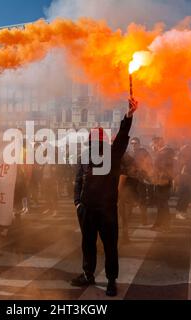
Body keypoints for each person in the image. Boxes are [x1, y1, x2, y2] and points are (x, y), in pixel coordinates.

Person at [71, 98, 137, 297]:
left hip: (106, 209)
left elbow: (123, 136)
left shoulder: (113, 154)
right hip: (87, 209)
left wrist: (129, 115)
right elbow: (78, 181)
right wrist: (78, 203)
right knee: (88, 243)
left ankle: (110, 281)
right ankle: (88, 274)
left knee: (109, 246)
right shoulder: (84, 157)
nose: (95, 146)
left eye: (97, 142)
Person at [118, 137, 152, 241]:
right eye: (132, 143)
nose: (133, 145)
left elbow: (149, 165)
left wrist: (146, 175)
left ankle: (144, 219)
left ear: (139, 143)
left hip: (138, 181)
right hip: (128, 183)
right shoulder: (127, 154)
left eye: (135, 143)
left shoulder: (144, 153)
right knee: (126, 206)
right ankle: (125, 227)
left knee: (141, 200)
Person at [150, 137, 175, 231]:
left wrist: (158, 176)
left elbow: (164, 168)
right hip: (161, 180)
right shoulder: (163, 152)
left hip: (163, 181)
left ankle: (166, 225)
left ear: (158, 143)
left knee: (163, 203)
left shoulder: (164, 153)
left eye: (154, 144)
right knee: (161, 203)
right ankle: (159, 223)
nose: (153, 146)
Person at [175, 145, 191, 220]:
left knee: (187, 197)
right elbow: (179, 169)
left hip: (188, 180)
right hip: (183, 180)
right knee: (182, 197)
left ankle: (184, 211)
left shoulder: (189, 159)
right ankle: (179, 212)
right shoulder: (181, 158)